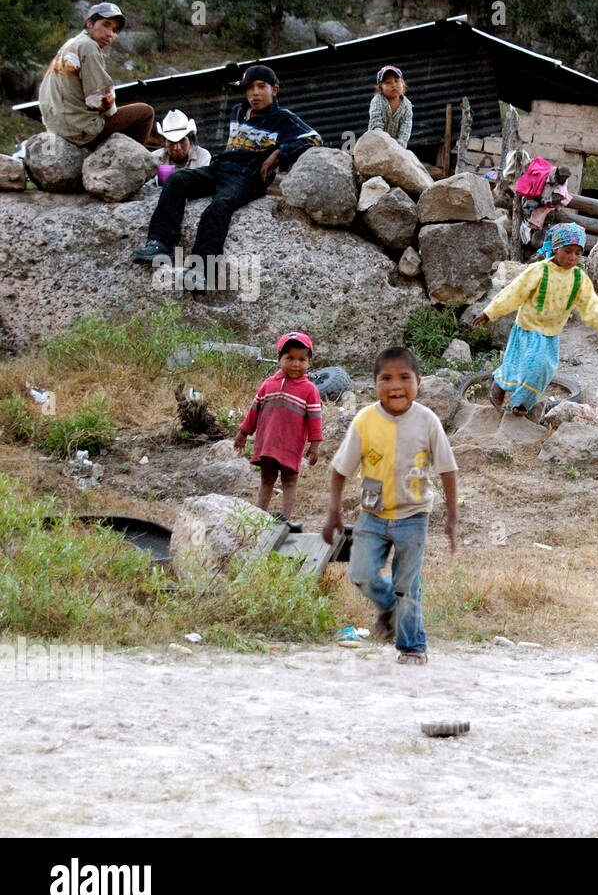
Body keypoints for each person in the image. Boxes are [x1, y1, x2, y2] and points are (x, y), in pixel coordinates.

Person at [129, 64, 322, 292]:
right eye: (250, 88)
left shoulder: (283, 119)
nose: (255, 93)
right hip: (221, 167)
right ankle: (160, 243)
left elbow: (314, 139)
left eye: (262, 87)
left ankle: (202, 272)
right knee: (177, 181)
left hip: (248, 175)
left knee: (218, 207)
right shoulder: (239, 111)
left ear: (275, 90)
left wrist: (278, 154)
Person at [323, 347, 458, 665]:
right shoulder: (365, 420)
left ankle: (411, 645)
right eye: (386, 378)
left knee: (406, 586)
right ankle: (391, 607)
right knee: (361, 574)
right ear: (374, 384)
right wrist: (333, 512)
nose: (395, 386)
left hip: (414, 516)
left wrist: (453, 517)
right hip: (372, 515)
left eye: (404, 378)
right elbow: (340, 469)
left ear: (418, 382)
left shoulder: (428, 422)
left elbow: (448, 468)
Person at [471, 223, 598, 415]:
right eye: (568, 251)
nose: (572, 257)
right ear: (556, 249)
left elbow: (589, 303)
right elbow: (514, 291)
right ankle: (499, 386)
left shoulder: (578, 278)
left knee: (542, 370)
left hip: (551, 334)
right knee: (521, 365)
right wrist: (490, 312)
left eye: (577, 253)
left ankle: (521, 404)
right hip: (527, 328)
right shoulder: (540, 270)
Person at [38, 2, 157, 150]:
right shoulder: (88, 46)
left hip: (58, 127)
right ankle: (132, 160)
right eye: (106, 25)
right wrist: (112, 112)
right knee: (144, 112)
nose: (110, 34)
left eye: (115, 30)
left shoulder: (70, 45)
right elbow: (100, 101)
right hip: (79, 129)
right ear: (89, 23)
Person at [233, 331, 323, 521]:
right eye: (290, 358)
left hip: (291, 445)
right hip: (267, 443)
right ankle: (259, 516)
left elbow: (315, 419)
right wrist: (243, 432)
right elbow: (254, 410)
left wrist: (314, 445)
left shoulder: (309, 390)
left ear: (309, 362)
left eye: (302, 359)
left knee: (289, 481)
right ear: (279, 358)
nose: (296, 364)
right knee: (266, 480)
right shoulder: (268, 385)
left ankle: (285, 519)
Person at [368, 65, 413, 148]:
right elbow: (376, 125)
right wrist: (383, 144)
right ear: (380, 88)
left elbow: (405, 130)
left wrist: (399, 147)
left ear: (403, 83)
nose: (393, 85)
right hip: (376, 143)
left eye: (396, 81)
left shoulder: (407, 105)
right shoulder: (377, 101)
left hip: (397, 147)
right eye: (387, 82)